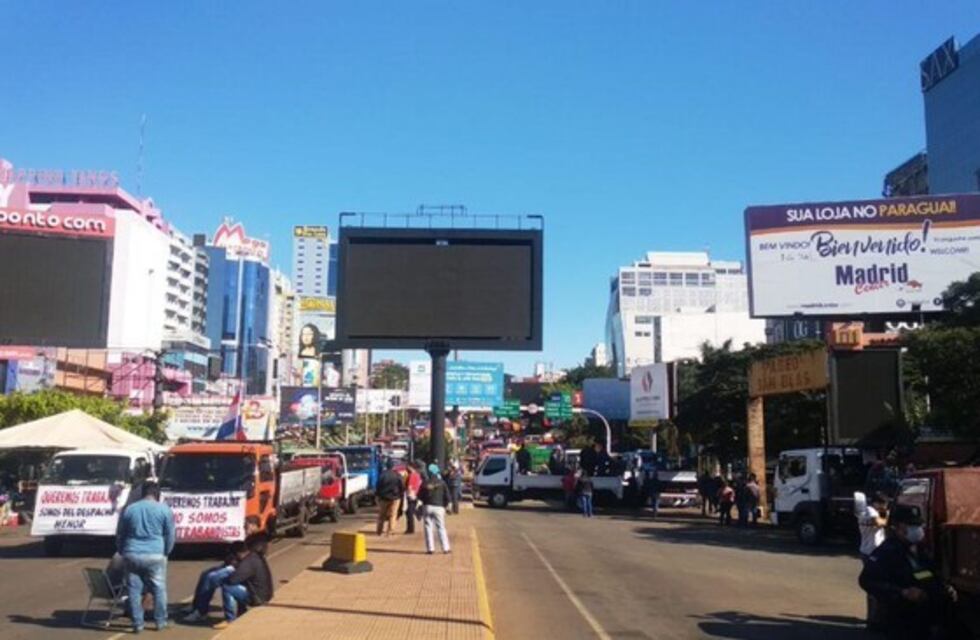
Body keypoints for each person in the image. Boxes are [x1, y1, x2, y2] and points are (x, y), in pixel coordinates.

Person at [859, 504, 955, 640]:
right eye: (911, 525)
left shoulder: (920, 550)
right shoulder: (887, 552)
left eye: (918, 525)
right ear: (897, 527)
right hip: (901, 621)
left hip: (925, 620)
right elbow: (867, 580)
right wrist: (902, 592)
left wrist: (943, 587)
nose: (917, 529)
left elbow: (930, 573)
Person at [116, 481, 175, 633]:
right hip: (155, 553)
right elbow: (170, 535)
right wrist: (166, 551)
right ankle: (160, 621)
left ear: (143, 493)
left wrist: (122, 550)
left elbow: (120, 533)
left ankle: (137, 624)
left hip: (132, 552)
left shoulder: (130, 509)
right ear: (157, 494)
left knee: (134, 590)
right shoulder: (164, 510)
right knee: (159, 589)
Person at [213, 535, 274, 630]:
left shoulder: (247, 563)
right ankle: (241, 612)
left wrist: (224, 579)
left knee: (228, 587)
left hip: (258, 597)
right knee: (239, 585)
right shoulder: (254, 557)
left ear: (238, 553)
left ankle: (230, 619)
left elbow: (233, 580)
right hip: (263, 593)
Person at [183, 542, 245, 623]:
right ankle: (196, 605)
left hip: (238, 567)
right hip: (233, 562)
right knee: (205, 573)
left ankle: (201, 611)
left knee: (211, 578)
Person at [419, 463, 451, 554]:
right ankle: (445, 548)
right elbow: (447, 496)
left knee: (428, 527)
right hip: (439, 507)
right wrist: (447, 505)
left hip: (428, 506)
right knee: (441, 527)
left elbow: (420, 496)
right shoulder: (442, 483)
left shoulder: (425, 483)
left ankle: (430, 549)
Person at [375, 459, 404, 537]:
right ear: (393, 466)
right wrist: (400, 495)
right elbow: (402, 486)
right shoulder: (398, 475)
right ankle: (390, 532)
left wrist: (377, 496)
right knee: (393, 515)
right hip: (395, 498)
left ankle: (379, 531)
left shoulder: (382, 475)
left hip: (383, 498)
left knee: (381, 515)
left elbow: (378, 486)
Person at [859, 493, 890, 561]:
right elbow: (878, 523)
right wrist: (887, 517)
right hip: (872, 550)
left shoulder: (872, 512)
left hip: (870, 549)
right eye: (884, 504)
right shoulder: (869, 510)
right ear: (876, 503)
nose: (885, 507)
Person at [404, 462, 423, 534]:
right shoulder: (418, 475)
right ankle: (418, 513)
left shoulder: (412, 475)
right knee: (411, 511)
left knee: (409, 512)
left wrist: (408, 494)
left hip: (411, 494)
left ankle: (410, 528)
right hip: (416, 494)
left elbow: (409, 486)